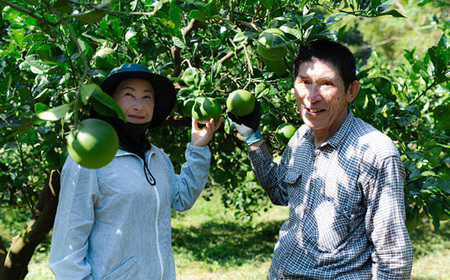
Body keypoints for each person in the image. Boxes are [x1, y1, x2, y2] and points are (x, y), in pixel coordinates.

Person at [228, 40, 413, 279]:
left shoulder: (374, 152)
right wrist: (254, 139)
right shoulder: (300, 138)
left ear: (351, 91)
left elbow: (393, 256)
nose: (312, 97)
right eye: (304, 82)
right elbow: (279, 193)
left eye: (327, 84)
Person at [49, 63, 223, 279]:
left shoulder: (157, 158)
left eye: (147, 97)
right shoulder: (89, 158)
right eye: (129, 95)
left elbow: (182, 198)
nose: (139, 106)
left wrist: (198, 147)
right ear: (109, 102)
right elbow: (67, 249)